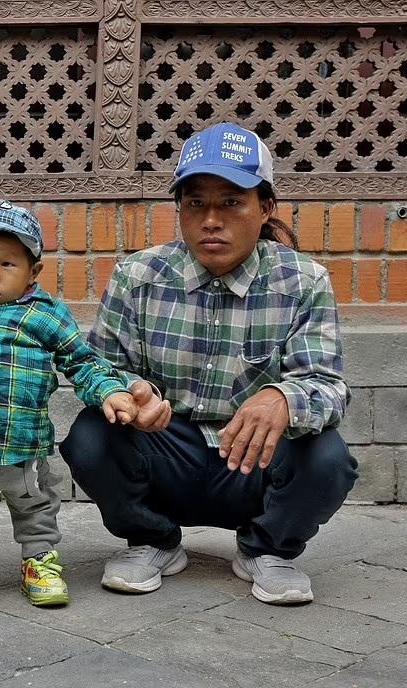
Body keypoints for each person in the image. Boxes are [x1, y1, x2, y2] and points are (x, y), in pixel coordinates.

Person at [60, 122, 358, 605]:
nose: (211, 219)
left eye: (231, 202)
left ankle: (267, 550)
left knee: (327, 455)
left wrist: (283, 397)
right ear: (180, 210)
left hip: (252, 461)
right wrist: (131, 394)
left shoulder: (303, 281)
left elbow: (327, 384)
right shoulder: (138, 275)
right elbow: (102, 367)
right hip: (167, 451)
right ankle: (153, 539)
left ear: (265, 209)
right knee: (91, 435)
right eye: (195, 203)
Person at [0, 200, 153, 615]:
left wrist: (110, 392)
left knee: (35, 505)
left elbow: (82, 362)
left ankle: (38, 562)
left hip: (20, 444)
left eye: (6, 264)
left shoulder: (45, 316)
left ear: (33, 272)